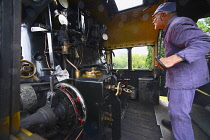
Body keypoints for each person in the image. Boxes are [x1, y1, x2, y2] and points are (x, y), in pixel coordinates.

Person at [152, 2, 210, 140]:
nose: (152, 20)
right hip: (178, 79)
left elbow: (204, 42)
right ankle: (174, 124)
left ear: (163, 15)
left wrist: (173, 59)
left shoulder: (177, 24)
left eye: (154, 17)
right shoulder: (171, 27)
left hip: (183, 81)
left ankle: (181, 132)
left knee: (180, 115)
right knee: (174, 108)